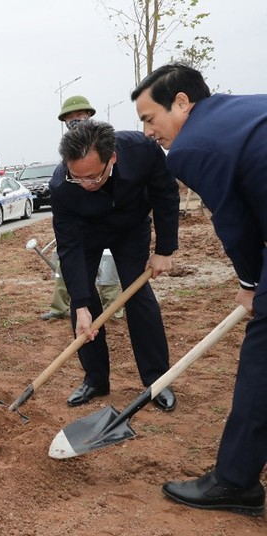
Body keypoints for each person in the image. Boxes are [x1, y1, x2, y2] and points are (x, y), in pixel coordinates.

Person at [132, 63, 267, 515]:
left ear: (182, 102)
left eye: (150, 118)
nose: (148, 131)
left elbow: (235, 223)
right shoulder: (241, 111)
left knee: (262, 360)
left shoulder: (193, 146)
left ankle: (234, 482)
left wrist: (250, 284)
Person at [50, 120, 180, 410]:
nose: (86, 184)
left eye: (94, 177)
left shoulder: (141, 151)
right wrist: (81, 304)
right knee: (81, 301)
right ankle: (95, 380)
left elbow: (165, 193)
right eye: (78, 178)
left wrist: (164, 249)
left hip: (130, 227)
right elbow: (69, 247)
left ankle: (157, 379)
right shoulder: (61, 185)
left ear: (113, 159)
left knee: (138, 295)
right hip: (86, 233)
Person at [41, 96, 123, 321]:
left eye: (80, 116)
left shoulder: (105, 145)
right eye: (70, 118)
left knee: (108, 270)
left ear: (89, 116)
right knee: (69, 268)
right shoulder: (67, 154)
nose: (75, 121)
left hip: (110, 223)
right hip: (78, 224)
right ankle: (61, 308)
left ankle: (114, 309)